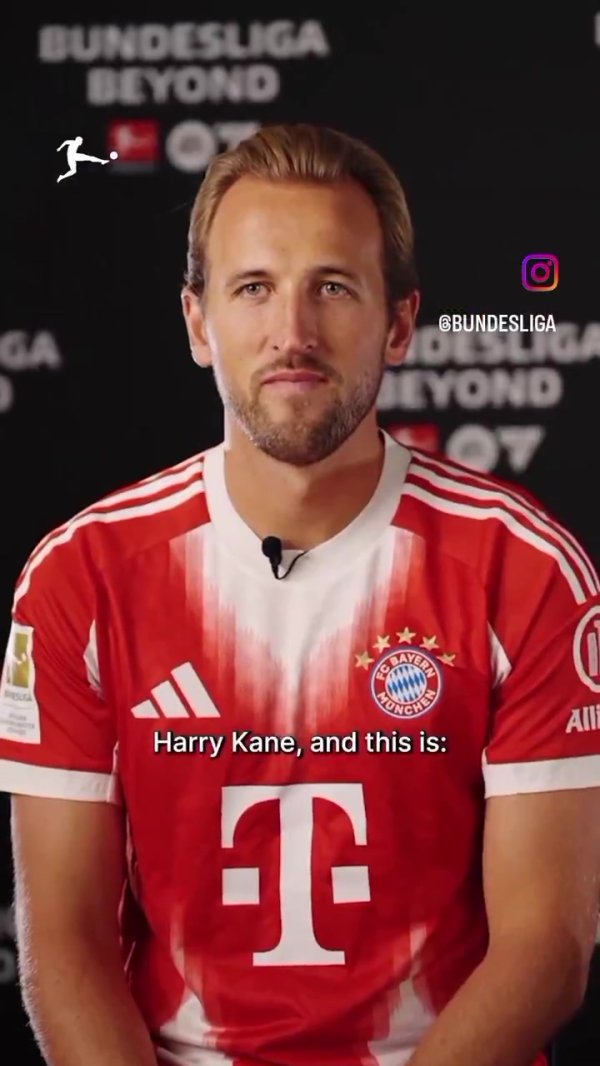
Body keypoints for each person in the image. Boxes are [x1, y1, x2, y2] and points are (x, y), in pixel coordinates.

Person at [0, 122, 599, 1066]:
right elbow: (64, 946)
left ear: (399, 322)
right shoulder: (84, 574)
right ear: (197, 323)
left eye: (333, 286)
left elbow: (546, 947)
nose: (294, 333)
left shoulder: (521, 566)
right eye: (253, 287)